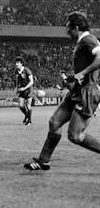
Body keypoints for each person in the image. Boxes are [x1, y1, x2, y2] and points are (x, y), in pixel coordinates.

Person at [24, 11, 100, 171]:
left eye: (69, 28)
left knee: (75, 136)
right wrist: (73, 79)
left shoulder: (89, 40)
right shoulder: (82, 42)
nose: (67, 32)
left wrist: (83, 74)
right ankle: (44, 160)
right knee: (54, 122)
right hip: (77, 92)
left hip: (87, 94)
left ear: (76, 28)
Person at [15, 56, 34, 125]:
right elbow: (17, 80)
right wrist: (17, 88)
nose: (16, 64)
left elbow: (32, 82)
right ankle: (26, 115)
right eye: (16, 63)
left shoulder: (27, 70)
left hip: (28, 89)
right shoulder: (16, 71)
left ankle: (29, 120)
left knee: (28, 105)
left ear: (21, 63)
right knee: (21, 105)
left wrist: (25, 88)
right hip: (21, 89)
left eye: (18, 63)